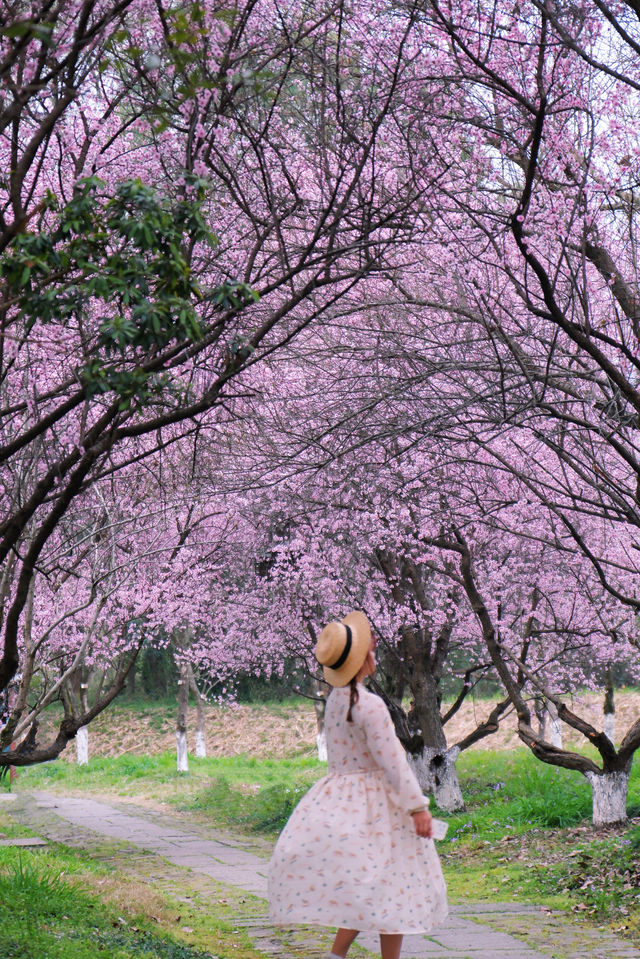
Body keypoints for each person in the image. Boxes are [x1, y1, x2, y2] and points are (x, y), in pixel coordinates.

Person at [268, 611, 448, 959]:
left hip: (341, 800)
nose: (375, 654)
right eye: (370, 649)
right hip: (378, 805)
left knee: (368, 886)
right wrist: (417, 807)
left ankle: (336, 956)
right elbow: (392, 762)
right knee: (389, 884)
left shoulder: (335, 702)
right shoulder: (369, 705)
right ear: (361, 659)